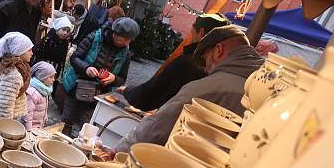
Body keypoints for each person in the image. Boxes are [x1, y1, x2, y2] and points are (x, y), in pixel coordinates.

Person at [114, 26, 264, 153]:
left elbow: (155, 128)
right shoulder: (268, 88)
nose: (206, 69)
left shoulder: (208, 87)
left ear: (219, 50)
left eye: (206, 59)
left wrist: (118, 150)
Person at [119, 13, 229, 111]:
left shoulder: (191, 62)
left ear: (201, 33)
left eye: (192, 32)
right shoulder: (221, 68)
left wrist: (128, 92)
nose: (190, 37)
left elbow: (154, 92)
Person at [61, 17, 140, 136]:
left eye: (127, 40)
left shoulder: (126, 54)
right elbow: (75, 58)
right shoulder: (95, 37)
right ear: (114, 32)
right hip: (76, 85)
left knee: (87, 126)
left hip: (97, 93)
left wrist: (114, 79)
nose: (122, 42)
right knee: (67, 120)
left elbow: (122, 78)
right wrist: (86, 68)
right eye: (120, 38)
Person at [0, 32, 34, 127]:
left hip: (6, 115)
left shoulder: (17, 68)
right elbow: (5, 105)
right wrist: (4, 127)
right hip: (0, 119)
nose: (32, 53)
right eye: (29, 50)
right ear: (19, 51)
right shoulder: (13, 76)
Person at [23, 61, 57, 130]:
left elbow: (43, 107)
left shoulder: (45, 90)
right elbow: (27, 114)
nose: (53, 80)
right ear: (42, 77)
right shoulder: (33, 93)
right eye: (50, 77)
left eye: (54, 77)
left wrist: (45, 117)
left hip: (38, 126)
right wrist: (29, 130)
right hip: (30, 128)